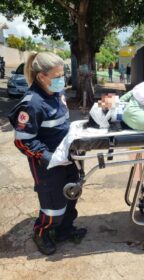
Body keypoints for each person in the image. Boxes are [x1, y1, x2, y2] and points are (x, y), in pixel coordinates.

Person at [8, 52, 87, 255]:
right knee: (53, 203)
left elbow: (62, 125)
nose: (62, 80)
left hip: (68, 156)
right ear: (41, 77)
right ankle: (41, 232)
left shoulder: (56, 94)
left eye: (63, 75)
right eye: (57, 77)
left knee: (71, 193)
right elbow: (23, 141)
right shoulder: (32, 103)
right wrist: (48, 157)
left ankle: (64, 230)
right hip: (48, 163)